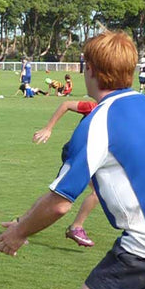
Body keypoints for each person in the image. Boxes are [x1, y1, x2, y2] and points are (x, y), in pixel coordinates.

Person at [0, 30, 145, 289]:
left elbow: (59, 203)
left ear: (89, 69)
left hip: (142, 247)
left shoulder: (98, 122)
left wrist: (19, 232)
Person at [33, 99, 99, 247]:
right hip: (75, 155)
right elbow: (66, 104)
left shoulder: (121, 114)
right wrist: (48, 128)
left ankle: (76, 227)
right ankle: (20, 225)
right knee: (58, 200)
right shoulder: (94, 107)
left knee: (98, 192)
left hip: (92, 158)